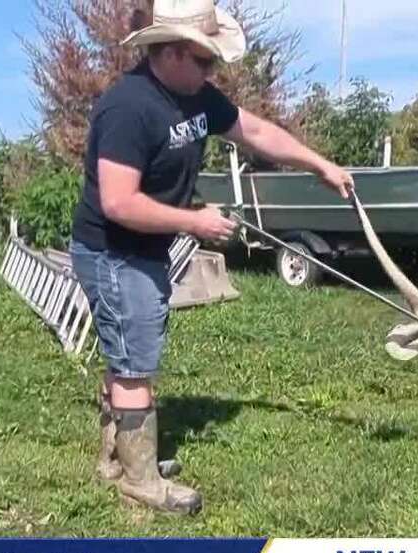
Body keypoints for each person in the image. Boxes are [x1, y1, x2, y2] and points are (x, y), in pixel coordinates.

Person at [70, 0, 355, 516]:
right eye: (205, 61)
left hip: (143, 250)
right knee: (135, 363)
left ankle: (118, 460)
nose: (212, 71)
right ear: (172, 52)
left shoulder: (197, 97)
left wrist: (320, 165)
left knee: (126, 351)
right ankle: (140, 481)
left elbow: (259, 132)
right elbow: (117, 202)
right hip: (113, 251)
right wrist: (194, 221)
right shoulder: (128, 108)